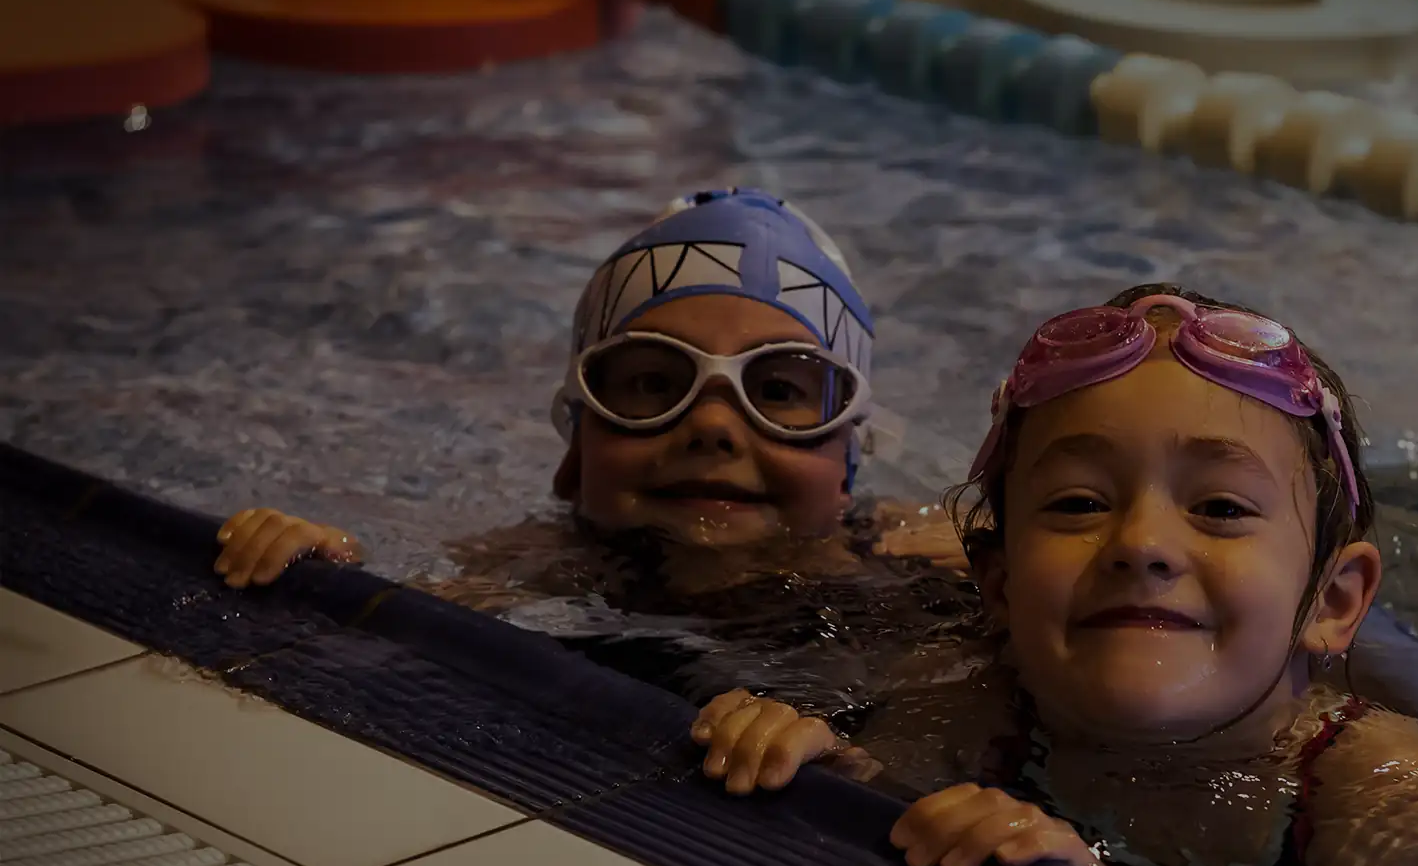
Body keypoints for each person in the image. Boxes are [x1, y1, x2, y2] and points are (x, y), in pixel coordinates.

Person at [690, 284, 1418, 866]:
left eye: (1220, 507)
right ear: (1000, 586)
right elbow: (877, 850)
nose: (1141, 544)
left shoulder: (1389, 791)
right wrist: (824, 775)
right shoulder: (970, 702)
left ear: (1332, 600)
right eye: (1079, 504)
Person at [213, 187, 967, 606]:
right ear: (575, 454)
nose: (712, 425)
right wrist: (321, 575)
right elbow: (397, 625)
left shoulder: (918, 563)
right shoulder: (540, 564)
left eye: (777, 389)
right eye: (653, 383)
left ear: (847, 463)